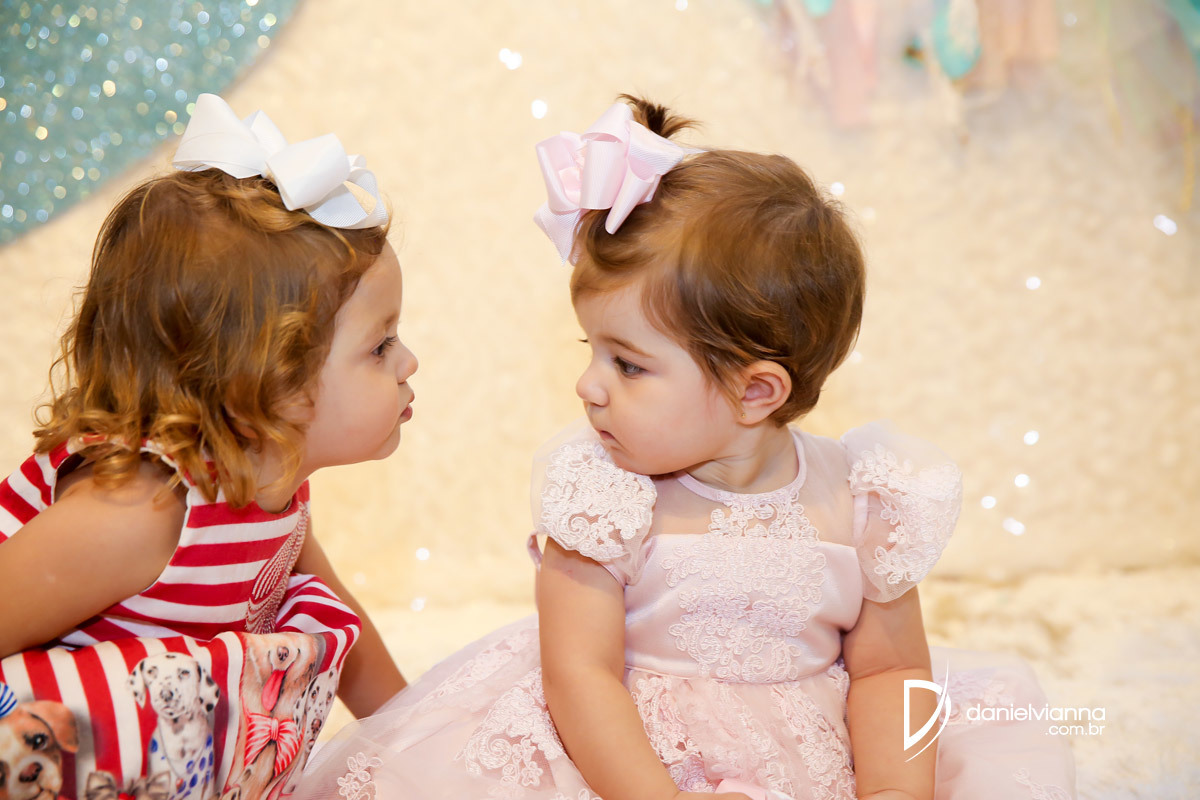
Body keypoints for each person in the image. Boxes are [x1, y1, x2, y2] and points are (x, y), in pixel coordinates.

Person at [296, 96, 1076, 800]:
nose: (588, 386)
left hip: (802, 758)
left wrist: (894, 792)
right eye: (593, 350)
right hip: (616, 758)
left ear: (755, 391)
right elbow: (579, 675)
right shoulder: (603, 495)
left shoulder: (863, 501)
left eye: (628, 364)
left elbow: (893, 670)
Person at [0, 94, 416, 800]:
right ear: (266, 383)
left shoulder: (273, 488)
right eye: (380, 346)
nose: (408, 362)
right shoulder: (141, 511)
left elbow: (343, 634)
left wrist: (416, 742)